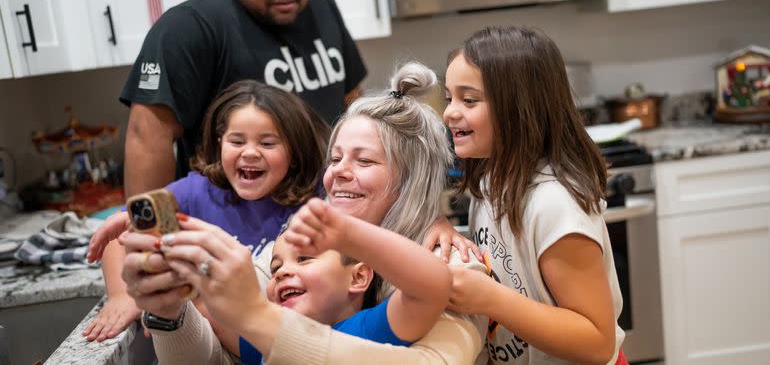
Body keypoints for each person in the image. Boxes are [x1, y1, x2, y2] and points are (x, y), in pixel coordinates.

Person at [88, 0, 368, 340]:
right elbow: (149, 140)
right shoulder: (190, 29)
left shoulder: (324, 8)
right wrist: (135, 285)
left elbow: (355, 103)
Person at [118, 62, 489, 364]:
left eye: (363, 160)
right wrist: (171, 312)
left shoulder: (453, 262)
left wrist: (257, 318)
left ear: (411, 178)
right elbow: (218, 351)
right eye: (335, 158)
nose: (338, 172)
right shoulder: (297, 244)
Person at [84, 79, 329, 342]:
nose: (250, 152)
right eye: (237, 141)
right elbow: (119, 232)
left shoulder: (312, 199)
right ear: (220, 142)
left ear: (294, 152)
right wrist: (122, 296)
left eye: (267, 143)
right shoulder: (198, 193)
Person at [439, 25, 625, 364]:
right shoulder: (492, 181)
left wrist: (490, 299)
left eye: (469, 100)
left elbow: (597, 341)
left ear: (518, 108)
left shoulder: (554, 206)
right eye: (449, 97)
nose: (449, 112)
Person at [235, 195, 452, 365]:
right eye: (275, 268)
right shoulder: (267, 333)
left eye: (304, 259)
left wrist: (349, 234)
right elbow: (215, 315)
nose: (281, 272)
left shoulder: (364, 331)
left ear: (358, 277)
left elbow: (432, 289)